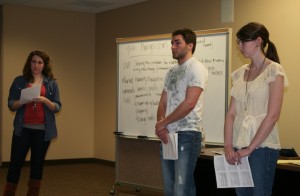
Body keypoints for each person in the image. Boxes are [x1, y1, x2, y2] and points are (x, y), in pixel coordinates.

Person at [224, 22, 289, 196]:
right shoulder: (239, 74)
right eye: (238, 42)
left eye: (243, 42)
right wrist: (228, 146)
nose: (239, 47)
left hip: (262, 147)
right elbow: (231, 114)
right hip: (239, 144)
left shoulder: (274, 70)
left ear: (258, 41)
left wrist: (250, 148)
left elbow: (273, 115)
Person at [155, 28, 208, 196]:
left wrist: (163, 123)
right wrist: (161, 126)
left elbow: (190, 103)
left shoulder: (197, 68)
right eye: (172, 43)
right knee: (170, 187)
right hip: (168, 135)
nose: (172, 46)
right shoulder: (170, 72)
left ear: (190, 45)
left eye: (177, 42)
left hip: (187, 134)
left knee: (181, 188)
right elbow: (163, 102)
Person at [3, 50, 62, 196]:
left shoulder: (51, 83)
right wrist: (23, 100)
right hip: (22, 130)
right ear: (29, 63)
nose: (36, 65)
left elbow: (57, 107)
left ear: (44, 65)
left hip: (43, 131)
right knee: (15, 164)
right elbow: (11, 104)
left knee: (37, 165)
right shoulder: (19, 81)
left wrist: (45, 100)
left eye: (40, 62)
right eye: (33, 62)